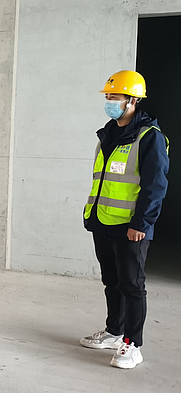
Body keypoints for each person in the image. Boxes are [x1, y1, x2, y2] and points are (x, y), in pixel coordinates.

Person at [81, 70, 169, 369]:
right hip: (103, 219)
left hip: (131, 226)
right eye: (107, 96)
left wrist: (141, 224)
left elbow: (155, 185)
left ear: (132, 100)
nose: (109, 102)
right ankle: (114, 331)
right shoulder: (108, 134)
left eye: (115, 97)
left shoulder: (149, 137)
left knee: (132, 285)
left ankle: (133, 344)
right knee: (112, 281)